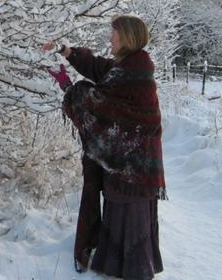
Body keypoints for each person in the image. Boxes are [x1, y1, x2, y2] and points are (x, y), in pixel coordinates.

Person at [46, 15, 166, 280]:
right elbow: (100, 68)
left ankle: (132, 271)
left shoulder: (131, 74)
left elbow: (96, 103)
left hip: (131, 170)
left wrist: (68, 86)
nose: (110, 38)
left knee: (130, 223)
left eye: (114, 34)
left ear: (126, 38)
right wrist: (66, 51)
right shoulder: (130, 66)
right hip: (134, 166)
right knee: (126, 217)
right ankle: (120, 266)